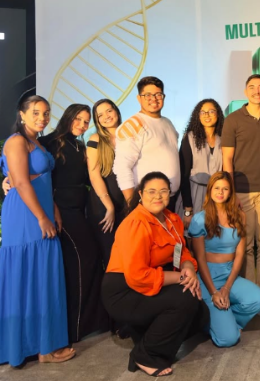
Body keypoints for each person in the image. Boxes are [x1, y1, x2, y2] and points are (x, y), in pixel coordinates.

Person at [102, 171, 207, 377]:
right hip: (124, 289)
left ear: (170, 194)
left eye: (163, 191)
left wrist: (188, 267)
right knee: (185, 298)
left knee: (201, 313)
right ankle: (145, 356)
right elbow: (138, 276)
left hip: (150, 281)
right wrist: (182, 278)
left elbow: (181, 251)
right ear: (140, 194)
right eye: (151, 191)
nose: (157, 196)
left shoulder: (172, 219)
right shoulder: (136, 223)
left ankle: (142, 332)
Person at [0, 95, 74, 367]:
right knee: (27, 275)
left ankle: (44, 346)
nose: (42, 118)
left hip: (41, 210)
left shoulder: (37, 142)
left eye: (46, 113)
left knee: (42, 277)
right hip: (25, 215)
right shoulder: (16, 141)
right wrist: (42, 217)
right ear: (21, 114)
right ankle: (32, 347)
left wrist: (53, 209)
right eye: (35, 113)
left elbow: (40, 180)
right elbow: (20, 182)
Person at [40, 104, 108, 344]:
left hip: (81, 209)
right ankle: (74, 327)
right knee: (84, 258)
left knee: (88, 259)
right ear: (68, 117)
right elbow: (30, 167)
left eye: (86, 121)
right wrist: (8, 180)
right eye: (77, 119)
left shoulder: (81, 146)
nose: (82, 124)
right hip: (61, 210)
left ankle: (90, 322)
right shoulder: (49, 142)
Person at [222, 74, 260, 319]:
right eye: (252, 87)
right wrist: (230, 192)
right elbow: (227, 159)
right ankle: (249, 296)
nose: (257, 91)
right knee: (245, 245)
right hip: (242, 192)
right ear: (245, 91)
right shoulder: (233, 119)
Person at [188, 171, 260, 347]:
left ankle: (227, 320)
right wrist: (214, 292)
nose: (220, 192)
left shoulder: (240, 216)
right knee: (228, 339)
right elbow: (200, 259)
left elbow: (239, 254)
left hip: (229, 274)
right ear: (210, 190)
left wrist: (227, 287)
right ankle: (209, 322)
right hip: (207, 278)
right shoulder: (199, 219)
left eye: (225, 188)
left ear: (231, 192)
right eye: (216, 188)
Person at [113, 76, 180, 210]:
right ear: (139, 98)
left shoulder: (168, 123)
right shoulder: (133, 125)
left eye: (158, 94)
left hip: (170, 199)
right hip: (147, 202)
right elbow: (122, 168)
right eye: (147, 95)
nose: (153, 99)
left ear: (164, 97)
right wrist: (132, 204)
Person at [86, 99, 126, 268]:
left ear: (116, 111)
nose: (106, 116)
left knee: (128, 254)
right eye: (100, 115)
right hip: (103, 206)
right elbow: (94, 174)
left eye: (109, 111)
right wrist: (109, 207)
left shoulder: (130, 136)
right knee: (111, 257)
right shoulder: (95, 139)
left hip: (127, 204)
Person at [176, 99, 224, 229]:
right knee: (193, 234)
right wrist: (188, 209)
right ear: (198, 116)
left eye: (211, 111)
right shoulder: (190, 138)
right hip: (193, 195)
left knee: (215, 234)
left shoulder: (224, 138)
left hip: (218, 195)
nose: (207, 115)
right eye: (203, 112)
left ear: (218, 114)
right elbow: (184, 175)